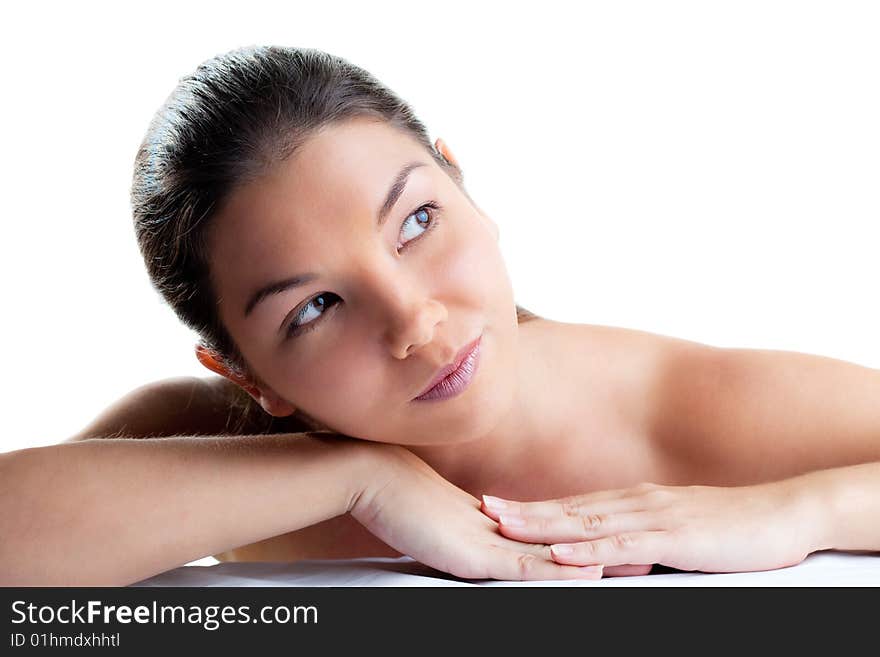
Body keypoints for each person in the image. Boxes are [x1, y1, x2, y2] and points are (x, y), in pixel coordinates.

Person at [2, 46, 878, 586]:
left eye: (416, 220)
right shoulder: (208, 451)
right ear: (248, 378)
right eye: (314, 308)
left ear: (461, 183)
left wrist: (797, 512)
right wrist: (357, 480)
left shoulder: (683, 405)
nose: (414, 319)